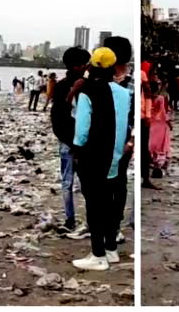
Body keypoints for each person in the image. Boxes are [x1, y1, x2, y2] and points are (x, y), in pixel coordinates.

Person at [71, 47, 131, 271]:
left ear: (92, 66)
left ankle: (97, 255)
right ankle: (111, 249)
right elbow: (123, 124)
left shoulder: (88, 91)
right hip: (115, 155)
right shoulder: (124, 93)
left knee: (94, 205)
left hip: (94, 156)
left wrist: (77, 153)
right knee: (110, 202)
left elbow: (82, 130)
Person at [51, 47, 90, 232]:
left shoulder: (91, 85)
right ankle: (70, 219)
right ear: (74, 66)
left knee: (87, 184)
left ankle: (91, 220)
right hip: (69, 142)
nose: (86, 66)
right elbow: (58, 117)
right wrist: (73, 143)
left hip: (86, 143)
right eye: (83, 63)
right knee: (68, 183)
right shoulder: (62, 87)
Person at [104, 35, 135, 240]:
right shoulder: (102, 79)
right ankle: (106, 224)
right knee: (107, 183)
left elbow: (135, 115)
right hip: (104, 139)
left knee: (117, 182)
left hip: (122, 141)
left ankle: (114, 226)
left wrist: (130, 141)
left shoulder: (131, 84)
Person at [148, 80, 172, 178]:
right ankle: (160, 163)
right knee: (162, 144)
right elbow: (162, 112)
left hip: (150, 121)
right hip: (160, 123)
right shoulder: (160, 98)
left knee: (151, 143)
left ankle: (152, 161)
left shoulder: (147, 98)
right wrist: (169, 123)